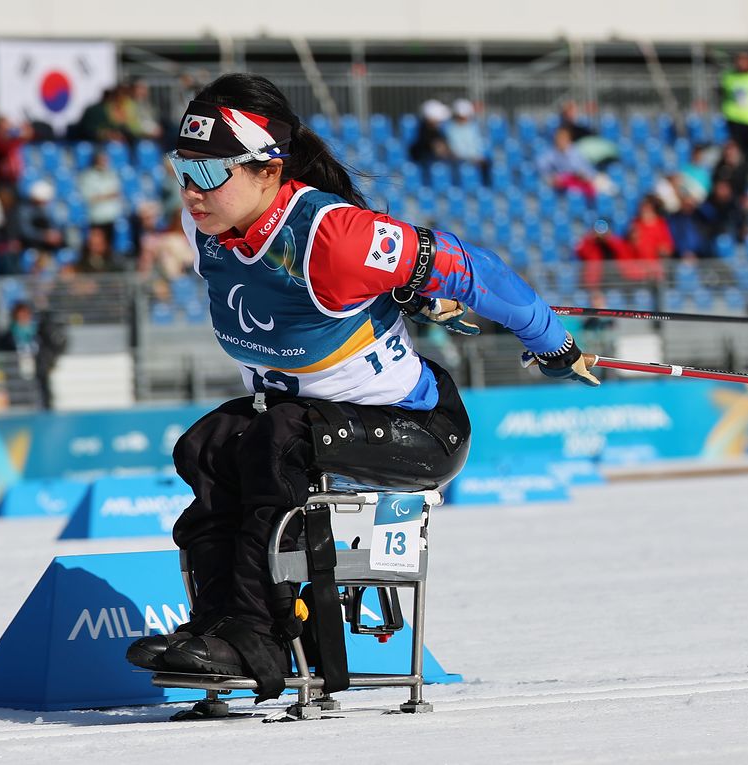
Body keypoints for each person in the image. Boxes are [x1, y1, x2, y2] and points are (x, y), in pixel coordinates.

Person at [123, 73, 599, 698]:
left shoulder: (333, 237)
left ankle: (256, 637)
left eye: (211, 174)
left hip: (418, 428)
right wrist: (405, 291)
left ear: (269, 168)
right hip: (309, 421)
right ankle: (220, 630)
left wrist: (552, 342)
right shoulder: (207, 230)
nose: (192, 191)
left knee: (275, 439)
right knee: (208, 444)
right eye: (183, 170)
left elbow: (474, 270)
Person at [0, 301, 66, 409]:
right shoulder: (7, 335)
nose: (23, 317)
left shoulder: (40, 332)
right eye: (19, 314)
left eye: (25, 314)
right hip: (16, 376)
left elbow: (55, 344)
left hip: (38, 373)